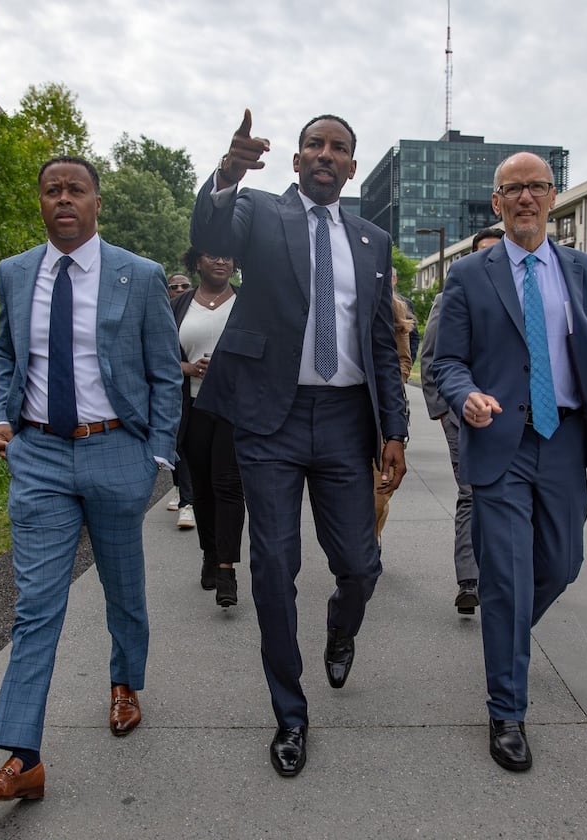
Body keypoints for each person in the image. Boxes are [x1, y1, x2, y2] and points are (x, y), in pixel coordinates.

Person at [190, 109, 408, 778]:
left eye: (338, 148)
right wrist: (227, 174)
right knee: (273, 570)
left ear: (350, 165)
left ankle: (342, 627)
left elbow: (378, 341)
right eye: (314, 143)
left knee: (360, 564)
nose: (325, 153)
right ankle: (291, 715)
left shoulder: (372, 241)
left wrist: (393, 428)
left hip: (345, 421)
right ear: (295, 160)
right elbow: (211, 232)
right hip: (270, 420)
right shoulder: (257, 212)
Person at [0, 155, 182, 802]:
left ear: (95, 201)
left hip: (117, 451)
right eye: (51, 189)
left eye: (76, 189)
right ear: (40, 202)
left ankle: (124, 682)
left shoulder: (138, 275)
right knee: (36, 607)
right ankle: (22, 756)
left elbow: (165, 372)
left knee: (124, 589)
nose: (64, 198)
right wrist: (3, 416)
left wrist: (160, 456)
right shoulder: (14, 273)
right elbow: (7, 352)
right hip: (38, 456)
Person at [431, 153, 587, 774]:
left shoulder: (585, 272)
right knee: (510, 579)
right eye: (512, 189)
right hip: (501, 444)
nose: (525, 198)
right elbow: (442, 362)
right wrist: (467, 397)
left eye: (536, 188)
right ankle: (507, 709)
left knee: (563, 565)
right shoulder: (469, 275)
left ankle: (506, 631)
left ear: (553, 197)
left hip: (567, 442)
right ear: (496, 202)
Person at [419, 226, 503, 615]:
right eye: (483, 253)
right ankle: (468, 581)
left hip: (511, 416)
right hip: (460, 415)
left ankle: (505, 573)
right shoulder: (449, 297)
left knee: (507, 494)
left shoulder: (520, 299)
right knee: (471, 492)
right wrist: (440, 410)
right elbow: (431, 355)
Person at [172, 246, 246, 606]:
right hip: (194, 407)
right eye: (213, 255)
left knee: (228, 485)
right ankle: (209, 553)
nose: (222, 260)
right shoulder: (179, 305)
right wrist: (187, 369)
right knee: (201, 486)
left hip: (234, 409)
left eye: (228, 255)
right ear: (196, 261)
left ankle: (227, 569)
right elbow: (159, 355)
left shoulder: (247, 303)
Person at [372, 289, 416, 546]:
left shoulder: (395, 309)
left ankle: (372, 539)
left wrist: (386, 384)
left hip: (381, 415)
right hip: (342, 412)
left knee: (379, 494)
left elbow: (404, 361)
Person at [166, 273, 198, 529]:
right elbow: (156, 358)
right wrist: (184, 368)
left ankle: (196, 495)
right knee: (182, 445)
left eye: (184, 285)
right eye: (174, 286)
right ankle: (185, 502)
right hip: (177, 393)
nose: (179, 289)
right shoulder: (164, 314)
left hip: (213, 394)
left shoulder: (199, 311)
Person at [391, 267, 420, 364]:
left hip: (399, 365)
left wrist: (407, 365)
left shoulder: (404, 304)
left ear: (394, 280)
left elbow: (414, 335)